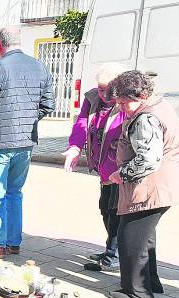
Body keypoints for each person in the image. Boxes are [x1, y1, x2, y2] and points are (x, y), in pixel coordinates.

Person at [105, 70, 179, 298]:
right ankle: (150, 283)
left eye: (124, 103)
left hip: (153, 185)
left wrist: (122, 173)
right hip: (163, 184)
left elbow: (148, 159)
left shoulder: (146, 117)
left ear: (140, 96)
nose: (121, 108)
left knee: (130, 235)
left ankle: (137, 291)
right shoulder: (157, 105)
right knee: (144, 235)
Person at [0, 27, 55, 258]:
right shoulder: (39, 67)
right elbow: (48, 104)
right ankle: (14, 242)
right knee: (15, 192)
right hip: (24, 142)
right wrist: (27, 120)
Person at [63, 63, 127, 271]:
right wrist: (74, 148)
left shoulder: (125, 102)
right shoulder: (91, 99)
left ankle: (114, 254)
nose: (103, 93)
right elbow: (81, 123)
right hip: (101, 165)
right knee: (105, 208)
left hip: (118, 166)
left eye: (107, 89)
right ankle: (110, 248)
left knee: (115, 211)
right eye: (100, 88)